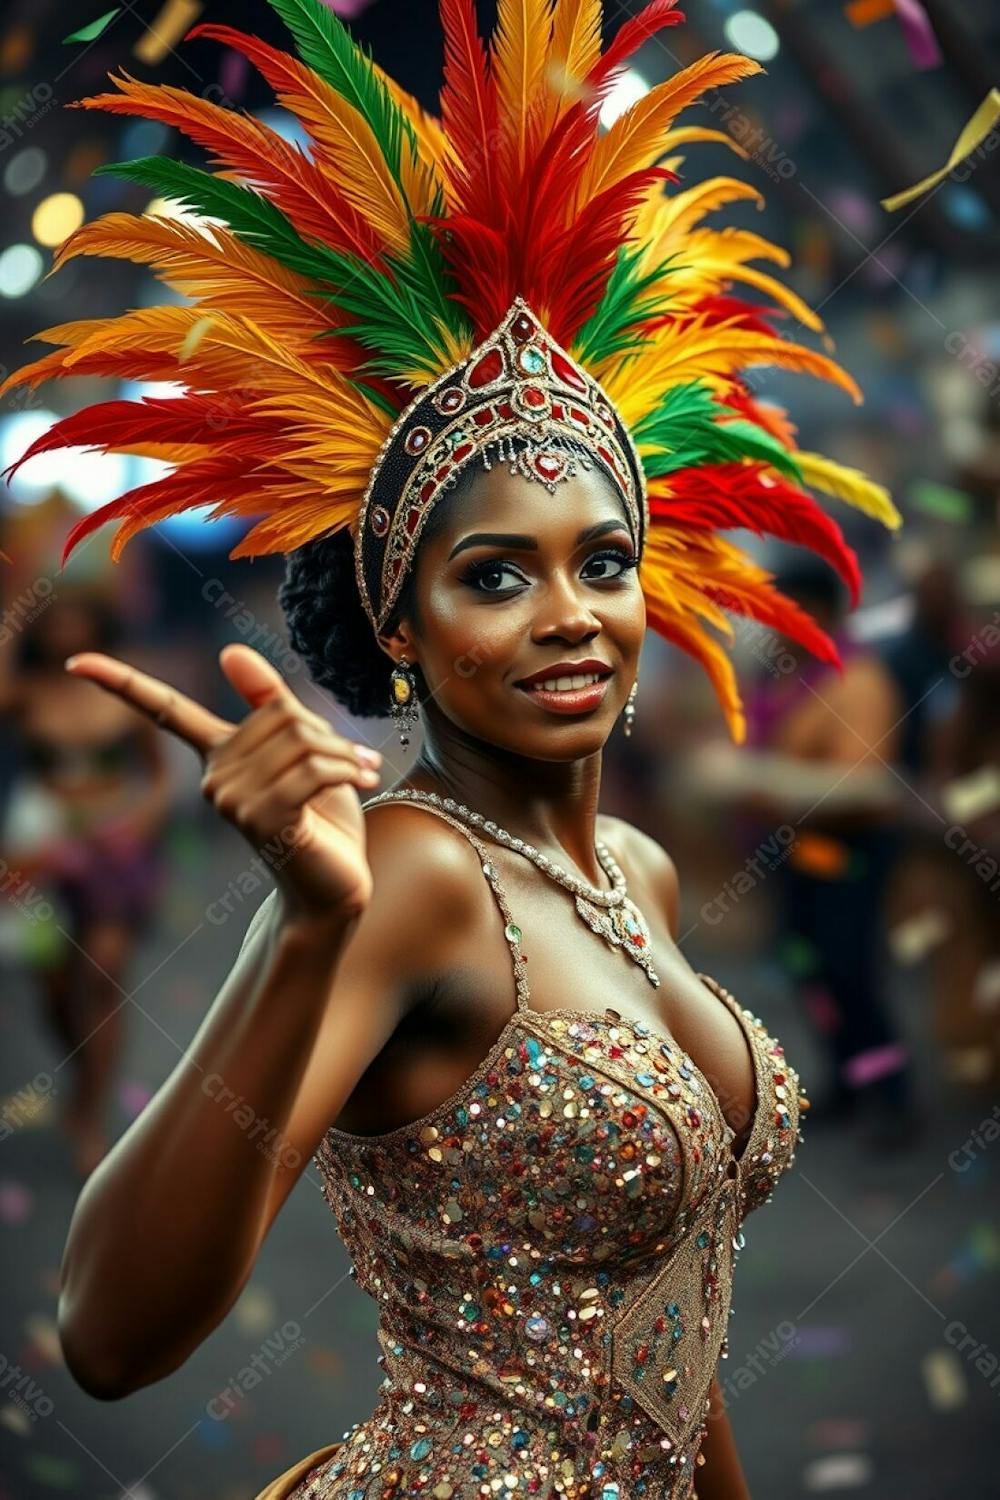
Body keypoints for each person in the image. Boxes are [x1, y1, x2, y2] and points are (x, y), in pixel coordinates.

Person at [2, 1, 902, 1494]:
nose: (570, 615)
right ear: (401, 626)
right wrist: (304, 929)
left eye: (601, 561)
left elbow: (666, 1333)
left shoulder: (639, 870)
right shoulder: (410, 878)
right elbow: (107, 1335)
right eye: (495, 575)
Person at [0, 593, 170, 1177]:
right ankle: (81, 1078)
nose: (65, 628)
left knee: (104, 966)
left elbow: (159, 776)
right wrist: (13, 611)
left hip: (113, 845)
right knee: (51, 985)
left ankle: (92, 1114)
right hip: (41, 845)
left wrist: (137, 824)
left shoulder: (124, 683)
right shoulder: (26, 691)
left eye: (76, 615)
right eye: (52, 617)